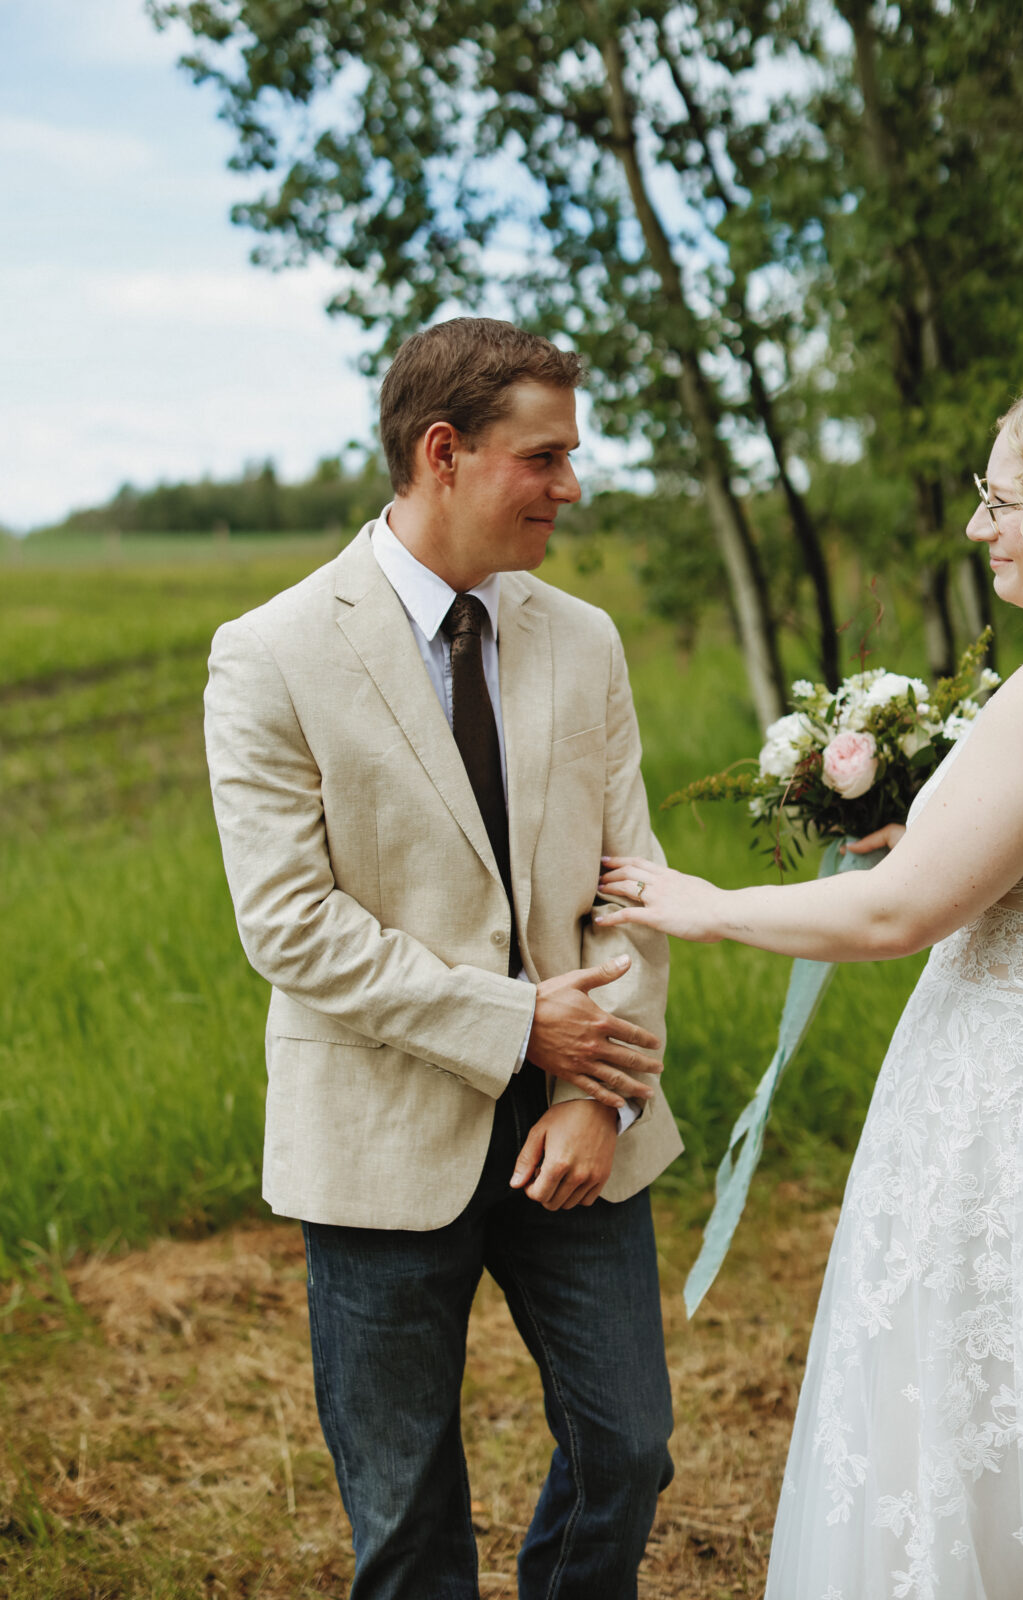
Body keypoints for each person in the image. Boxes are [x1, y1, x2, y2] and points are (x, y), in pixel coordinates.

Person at [203, 317, 683, 1600]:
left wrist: (592, 1089)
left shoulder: (583, 640)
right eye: (544, 459)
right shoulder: (271, 653)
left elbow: (626, 888)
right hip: (376, 1128)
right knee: (407, 1514)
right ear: (442, 452)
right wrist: (518, 1021)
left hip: (578, 1120)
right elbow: (289, 921)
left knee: (629, 1449)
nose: (570, 489)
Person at [596, 378, 1023, 1598]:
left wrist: (708, 907)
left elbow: (894, 913)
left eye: (999, 499)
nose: (977, 528)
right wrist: (938, 826)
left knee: (978, 1407)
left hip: (1011, 1099)